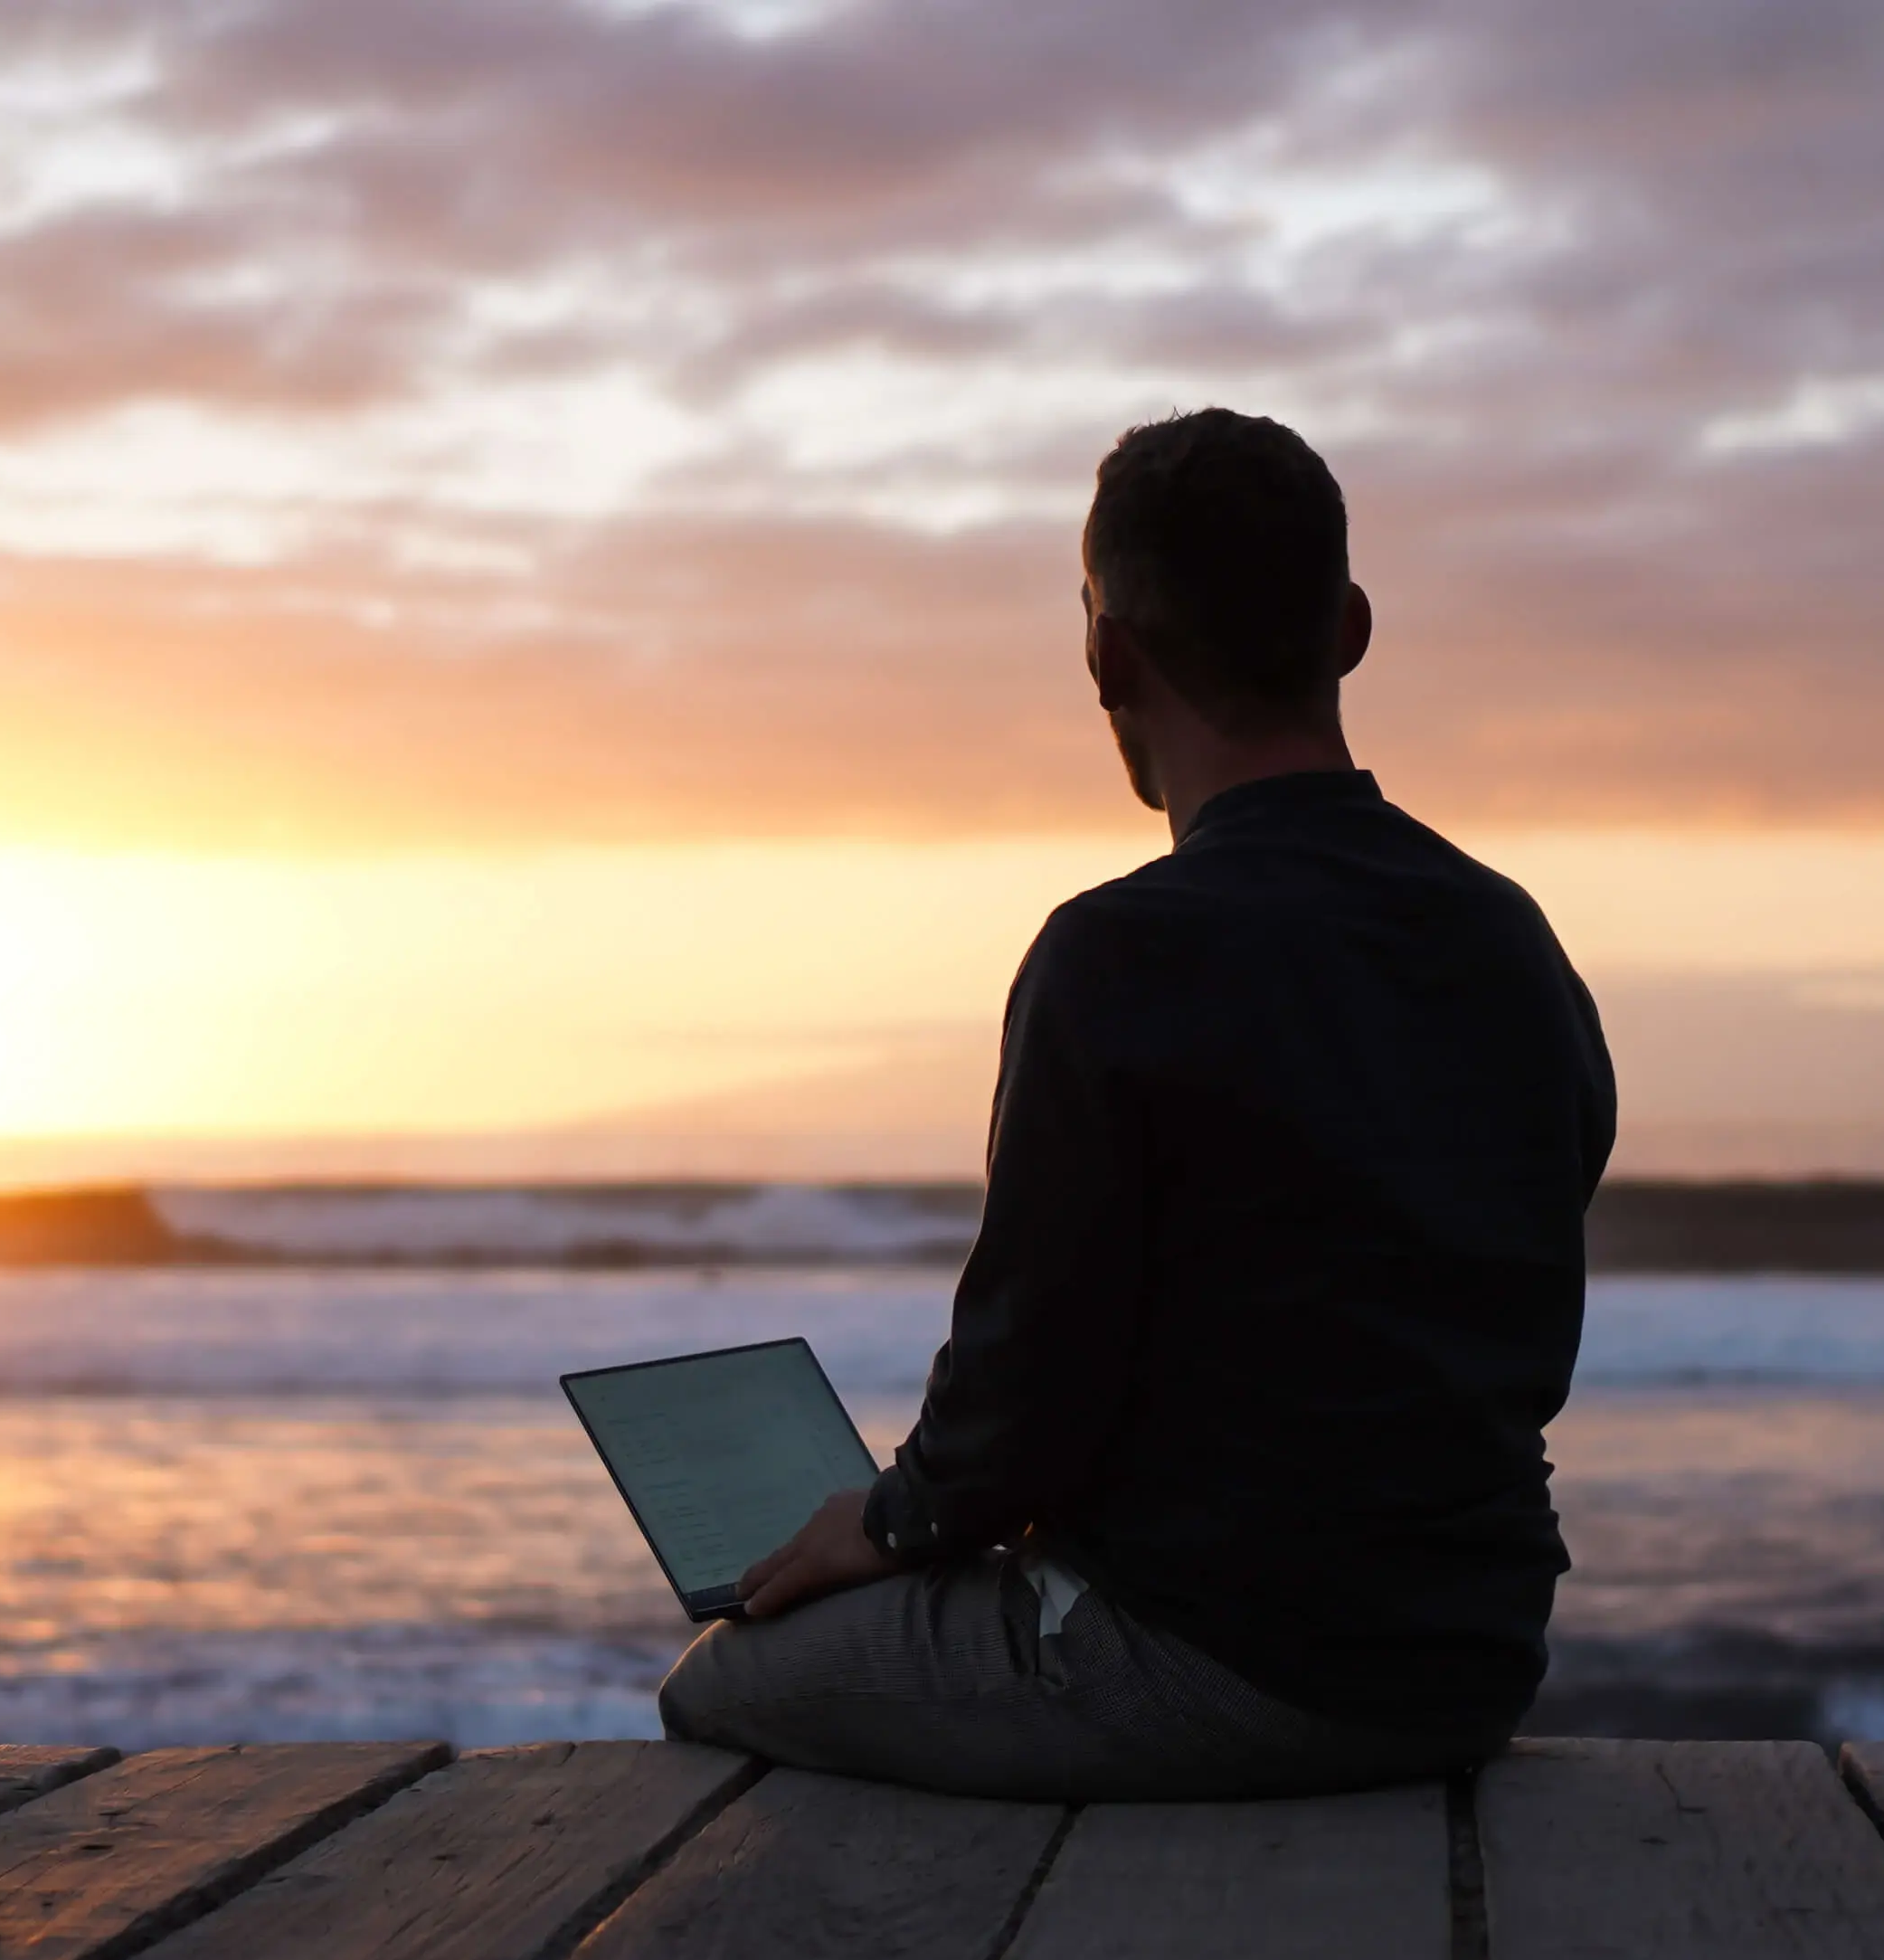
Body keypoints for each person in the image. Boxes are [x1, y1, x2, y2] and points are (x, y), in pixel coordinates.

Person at [658, 407, 1616, 1800]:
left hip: (1222, 1668)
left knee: (725, 1679)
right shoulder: (1505, 936)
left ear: (1106, 652)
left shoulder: (1118, 954)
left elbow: (1025, 1392)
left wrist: (890, 1521)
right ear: (1349, 627)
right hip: (1470, 1658)